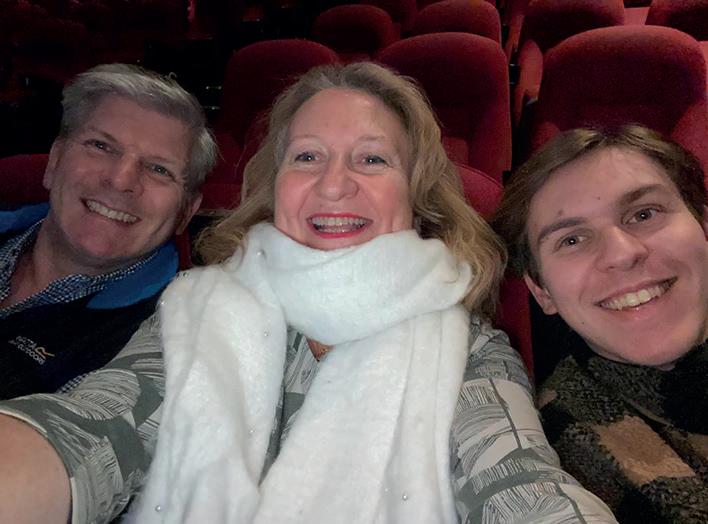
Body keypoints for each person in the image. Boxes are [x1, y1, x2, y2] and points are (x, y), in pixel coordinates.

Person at [121, 62, 612, 522]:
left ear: (415, 195)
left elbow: (523, 482)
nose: (333, 186)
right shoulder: (192, 310)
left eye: (372, 159)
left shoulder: (472, 351)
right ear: (276, 188)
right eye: (307, 156)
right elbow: (97, 426)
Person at [0, 62, 216, 523]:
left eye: (158, 169)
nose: (120, 180)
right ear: (54, 161)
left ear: (186, 212)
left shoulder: (169, 342)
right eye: (101, 146)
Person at [493, 124, 708, 523]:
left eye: (643, 214)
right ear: (541, 291)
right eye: (572, 240)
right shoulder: (564, 456)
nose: (621, 254)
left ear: (704, 225)